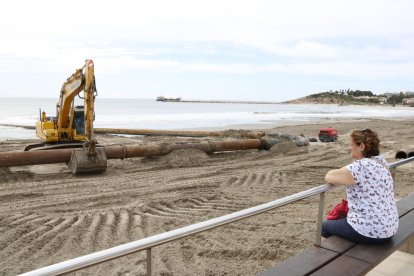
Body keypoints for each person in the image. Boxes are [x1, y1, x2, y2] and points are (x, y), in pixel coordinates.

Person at [322, 128, 398, 244]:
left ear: (361, 146)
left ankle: (335, 257)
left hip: (371, 231)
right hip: (390, 227)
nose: (350, 147)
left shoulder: (360, 166)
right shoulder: (381, 162)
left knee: (324, 227)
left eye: (352, 145)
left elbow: (329, 176)